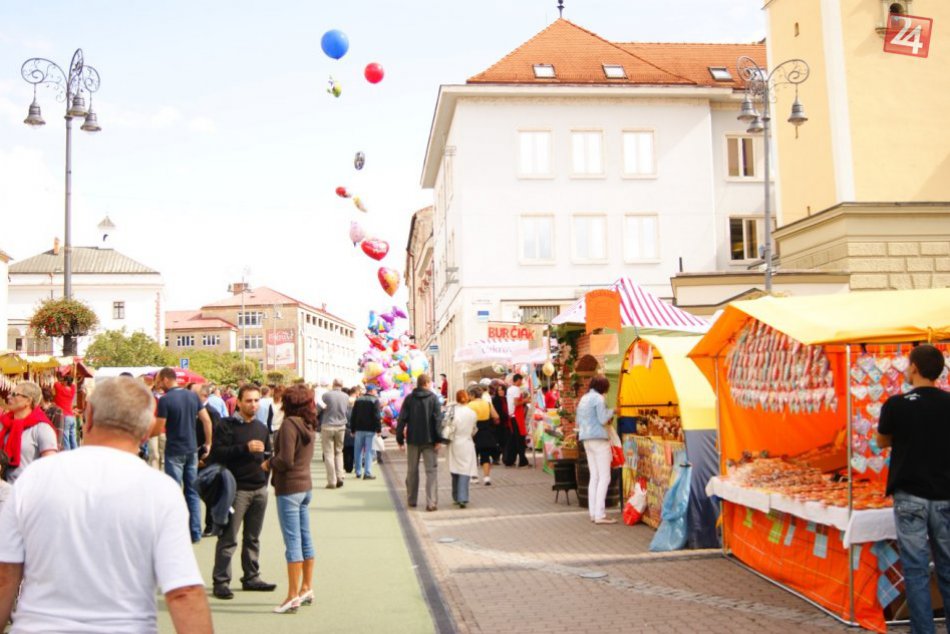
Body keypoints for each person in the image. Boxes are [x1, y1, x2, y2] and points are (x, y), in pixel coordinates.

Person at [0, 377, 212, 633]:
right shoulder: (160, 490)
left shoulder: (33, 478)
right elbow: (184, 592)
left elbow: (6, 573)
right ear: (147, 431)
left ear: (88, 416)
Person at [877, 344, 950, 633]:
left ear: (915, 368)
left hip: (909, 495)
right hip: (945, 495)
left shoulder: (896, 404)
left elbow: (882, 441)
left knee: (916, 569)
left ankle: (923, 630)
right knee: (947, 567)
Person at [210, 384, 276, 599]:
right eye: (248, 400)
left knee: (253, 538)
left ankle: (251, 577)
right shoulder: (226, 425)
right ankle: (221, 581)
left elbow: (268, 456)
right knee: (228, 538)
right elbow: (217, 454)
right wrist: (244, 448)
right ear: (238, 402)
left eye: (256, 400)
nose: (253, 405)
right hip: (236, 491)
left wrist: (265, 479)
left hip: (259, 489)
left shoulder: (261, 428)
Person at [269, 384, 317, 614]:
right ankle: (306, 587)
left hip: (289, 487)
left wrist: (268, 463)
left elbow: (285, 460)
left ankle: (292, 595)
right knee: (305, 538)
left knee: (292, 542)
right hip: (305, 485)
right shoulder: (309, 424)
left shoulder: (289, 424)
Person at [154, 367, 212, 543]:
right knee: (192, 492)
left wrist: (144, 434)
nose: (157, 384)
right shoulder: (192, 396)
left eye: (158, 380)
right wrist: (208, 443)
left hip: (174, 450)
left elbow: (159, 427)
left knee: (174, 492)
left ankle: (176, 532)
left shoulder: (165, 400)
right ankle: (195, 532)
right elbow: (206, 420)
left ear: (166, 379)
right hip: (191, 449)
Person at [396, 374, 444, 511]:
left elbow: (401, 419)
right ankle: (431, 502)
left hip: (413, 439)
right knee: (431, 471)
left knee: (412, 470)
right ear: (427, 383)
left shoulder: (409, 399)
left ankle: (412, 499)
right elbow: (437, 420)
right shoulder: (433, 398)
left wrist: (399, 439)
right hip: (430, 440)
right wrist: (438, 439)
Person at [576, 375, 617, 524]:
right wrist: (613, 411)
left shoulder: (584, 398)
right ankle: (600, 514)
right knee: (605, 477)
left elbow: (578, 420)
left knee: (594, 476)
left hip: (586, 439)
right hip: (599, 439)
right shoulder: (599, 399)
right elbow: (603, 419)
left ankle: (593, 513)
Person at [0, 382, 57, 483]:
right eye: (10, 393)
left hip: (29, 489)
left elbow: (51, 468)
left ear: (28, 401)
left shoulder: (42, 428)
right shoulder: (4, 424)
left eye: (14, 394)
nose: (8, 397)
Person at [444, 390, 477, 508]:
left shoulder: (452, 411)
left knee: (454, 469)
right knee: (465, 470)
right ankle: (463, 497)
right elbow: (474, 429)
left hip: (454, 442)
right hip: (467, 443)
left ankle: (456, 496)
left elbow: (446, 425)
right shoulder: (472, 413)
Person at [320, 379, 350, 489]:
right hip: (341, 426)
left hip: (327, 425)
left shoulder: (326, 395)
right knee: (339, 452)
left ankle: (331, 480)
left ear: (333, 384)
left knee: (328, 453)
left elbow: (322, 405)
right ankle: (340, 476)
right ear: (342, 385)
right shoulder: (346, 396)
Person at [467, 386, 499, 485]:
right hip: (486, 432)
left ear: (472, 395)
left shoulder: (469, 405)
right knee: (485, 456)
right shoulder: (488, 403)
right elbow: (496, 416)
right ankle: (486, 477)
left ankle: (474, 477)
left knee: (473, 456)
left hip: (474, 433)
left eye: (469, 395)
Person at [351, 384, 382, 480]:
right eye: (375, 390)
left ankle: (358, 471)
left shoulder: (358, 400)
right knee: (369, 451)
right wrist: (379, 429)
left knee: (358, 450)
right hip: (370, 429)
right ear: (371, 391)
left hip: (359, 429)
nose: (376, 392)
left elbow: (353, 415)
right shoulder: (375, 400)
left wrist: (352, 429)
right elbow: (377, 416)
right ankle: (367, 472)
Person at [505, 375, 530, 467]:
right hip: (516, 416)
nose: (521, 382)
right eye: (521, 380)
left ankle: (509, 459)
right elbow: (516, 403)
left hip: (512, 416)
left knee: (513, 439)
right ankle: (522, 460)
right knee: (519, 439)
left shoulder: (509, 389)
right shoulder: (516, 389)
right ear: (518, 380)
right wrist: (525, 400)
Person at [53, 374, 78, 450]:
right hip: (71, 417)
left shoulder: (60, 389)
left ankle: (68, 455)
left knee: (65, 439)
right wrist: (65, 381)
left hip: (65, 417)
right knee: (73, 438)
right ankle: (76, 453)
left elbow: (56, 383)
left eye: (63, 380)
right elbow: (73, 384)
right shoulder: (72, 390)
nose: (62, 382)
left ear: (66, 382)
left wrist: (61, 381)